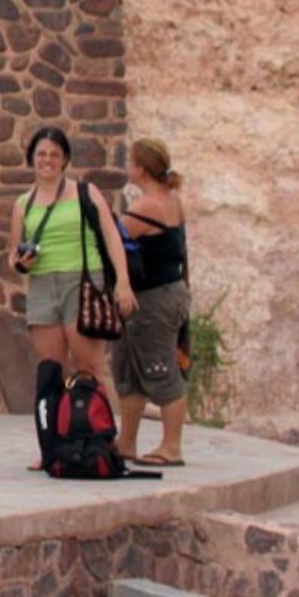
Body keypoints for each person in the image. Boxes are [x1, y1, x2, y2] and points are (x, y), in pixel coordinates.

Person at [10, 127, 136, 468]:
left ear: (65, 158)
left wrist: (123, 282)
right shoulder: (23, 203)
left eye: (54, 154)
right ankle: (52, 448)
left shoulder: (85, 192)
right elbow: (12, 254)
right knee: (51, 370)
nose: (47, 160)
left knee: (88, 366)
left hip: (83, 283)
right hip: (42, 285)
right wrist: (21, 261)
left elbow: (111, 237)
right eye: (41, 154)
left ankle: (99, 441)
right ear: (32, 159)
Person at [112, 137, 192, 467]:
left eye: (130, 161)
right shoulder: (172, 201)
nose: (127, 166)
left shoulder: (147, 207)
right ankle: (126, 442)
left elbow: (113, 239)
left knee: (161, 370)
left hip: (154, 299)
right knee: (129, 370)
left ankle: (171, 446)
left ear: (141, 169)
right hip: (167, 292)